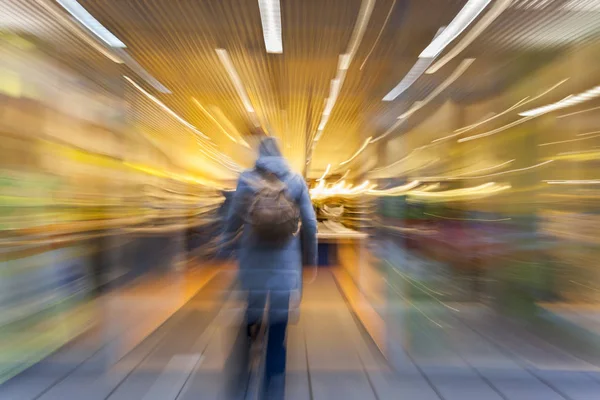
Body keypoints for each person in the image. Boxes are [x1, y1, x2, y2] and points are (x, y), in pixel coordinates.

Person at [222, 136, 317, 399]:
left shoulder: (246, 180)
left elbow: (232, 221)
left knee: (251, 316)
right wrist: (311, 259)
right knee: (278, 327)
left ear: (259, 154)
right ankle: (273, 386)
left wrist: (223, 246)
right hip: (284, 271)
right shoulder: (296, 180)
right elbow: (310, 224)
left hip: (252, 266)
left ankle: (244, 371)